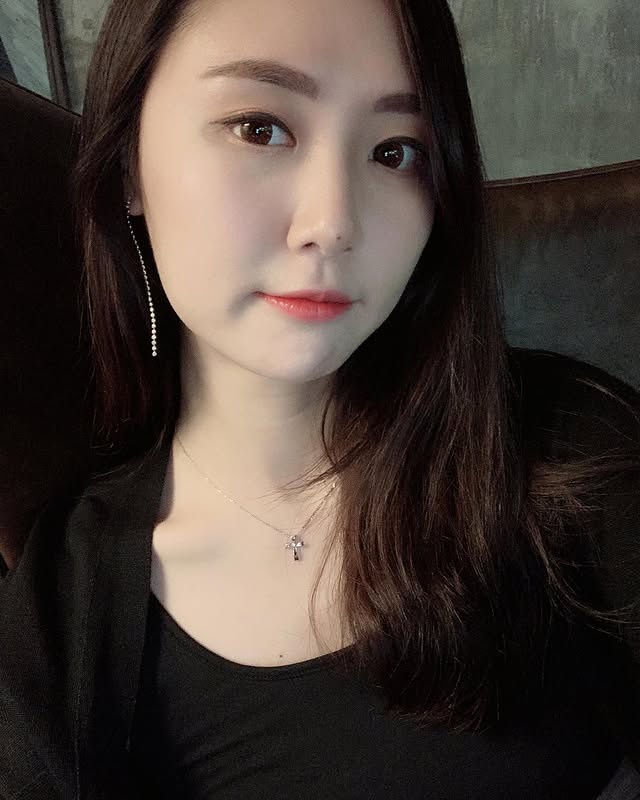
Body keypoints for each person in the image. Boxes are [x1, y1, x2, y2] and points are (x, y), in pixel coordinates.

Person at [1, 0, 639, 797]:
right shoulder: (63, 623)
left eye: (395, 151)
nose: (334, 223)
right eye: (260, 128)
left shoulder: (568, 455)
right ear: (128, 162)